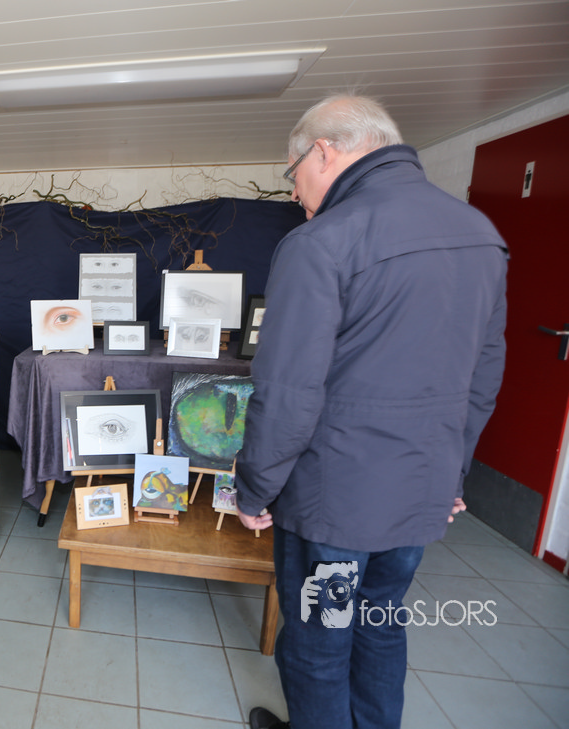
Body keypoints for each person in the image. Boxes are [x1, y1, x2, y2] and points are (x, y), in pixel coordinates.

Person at [234, 95, 508, 729]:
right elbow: (483, 375)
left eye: (292, 174)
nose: (295, 192)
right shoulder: (479, 233)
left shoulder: (321, 241)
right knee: (380, 621)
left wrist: (254, 490)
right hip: (422, 487)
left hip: (335, 496)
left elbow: (289, 389)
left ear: (323, 152)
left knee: (319, 636)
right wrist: (452, 475)